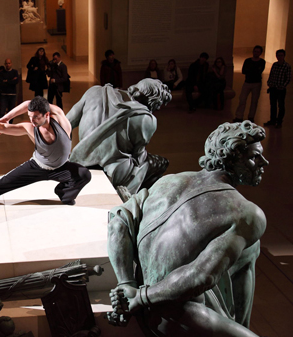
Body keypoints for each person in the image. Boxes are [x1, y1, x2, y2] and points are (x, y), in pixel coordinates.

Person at [107, 121, 268, 337]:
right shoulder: (247, 212)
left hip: (145, 293)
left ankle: (237, 322)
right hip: (177, 317)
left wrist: (127, 284)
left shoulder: (169, 181)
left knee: (251, 247)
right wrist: (139, 297)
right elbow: (201, 276)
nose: (263, 162)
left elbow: (118, 221)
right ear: (233, 157)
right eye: (254, 156)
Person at [0, 96, 92, 211]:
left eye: (36, 117)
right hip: (37, 167)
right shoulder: (30, 128)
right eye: (29, 116)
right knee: (2, 183)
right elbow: (1, 128)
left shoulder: (60, 118)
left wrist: (8, 117)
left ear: (47, 115)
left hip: (60, 168)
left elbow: (29, 103)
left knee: (84, 174)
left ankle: (63, 193)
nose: (32, 120)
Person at [67, 79, 172, 196]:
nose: (156, 110)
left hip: (79, 161)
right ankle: (130, 200)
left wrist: (63, 156)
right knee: (154, 164)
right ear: (151, 102)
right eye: (157, 106)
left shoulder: (95, 91)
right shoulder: (145, 118)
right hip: (112, 170)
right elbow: (138, 156)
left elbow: (66, 123)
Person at [234, 46, 266, 123]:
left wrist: (251, 70)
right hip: (247, 82)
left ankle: (251, 117)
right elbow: (244, 71)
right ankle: (239, 116)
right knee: (242, 99)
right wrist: (253, 71)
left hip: (257, 83)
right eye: (255, 51)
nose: (256, 53)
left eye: (258, 52)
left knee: (254, 101)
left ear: (260, 53)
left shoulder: (262, 62)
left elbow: (258, 72)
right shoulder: (247, 60)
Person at [264, 49, 291, 128]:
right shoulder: (275, 65)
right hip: (273, 88)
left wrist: (283, 86)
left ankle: (279, 121)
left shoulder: (287, 66)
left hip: (281, 89)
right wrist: (269, 83)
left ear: (284, 56)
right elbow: (271, 75)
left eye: (281, 55)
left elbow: (288, 78)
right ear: (276, 56)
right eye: (278, 55)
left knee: (281, 105)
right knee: (273, 105)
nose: (279, 57)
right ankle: (272, 120)